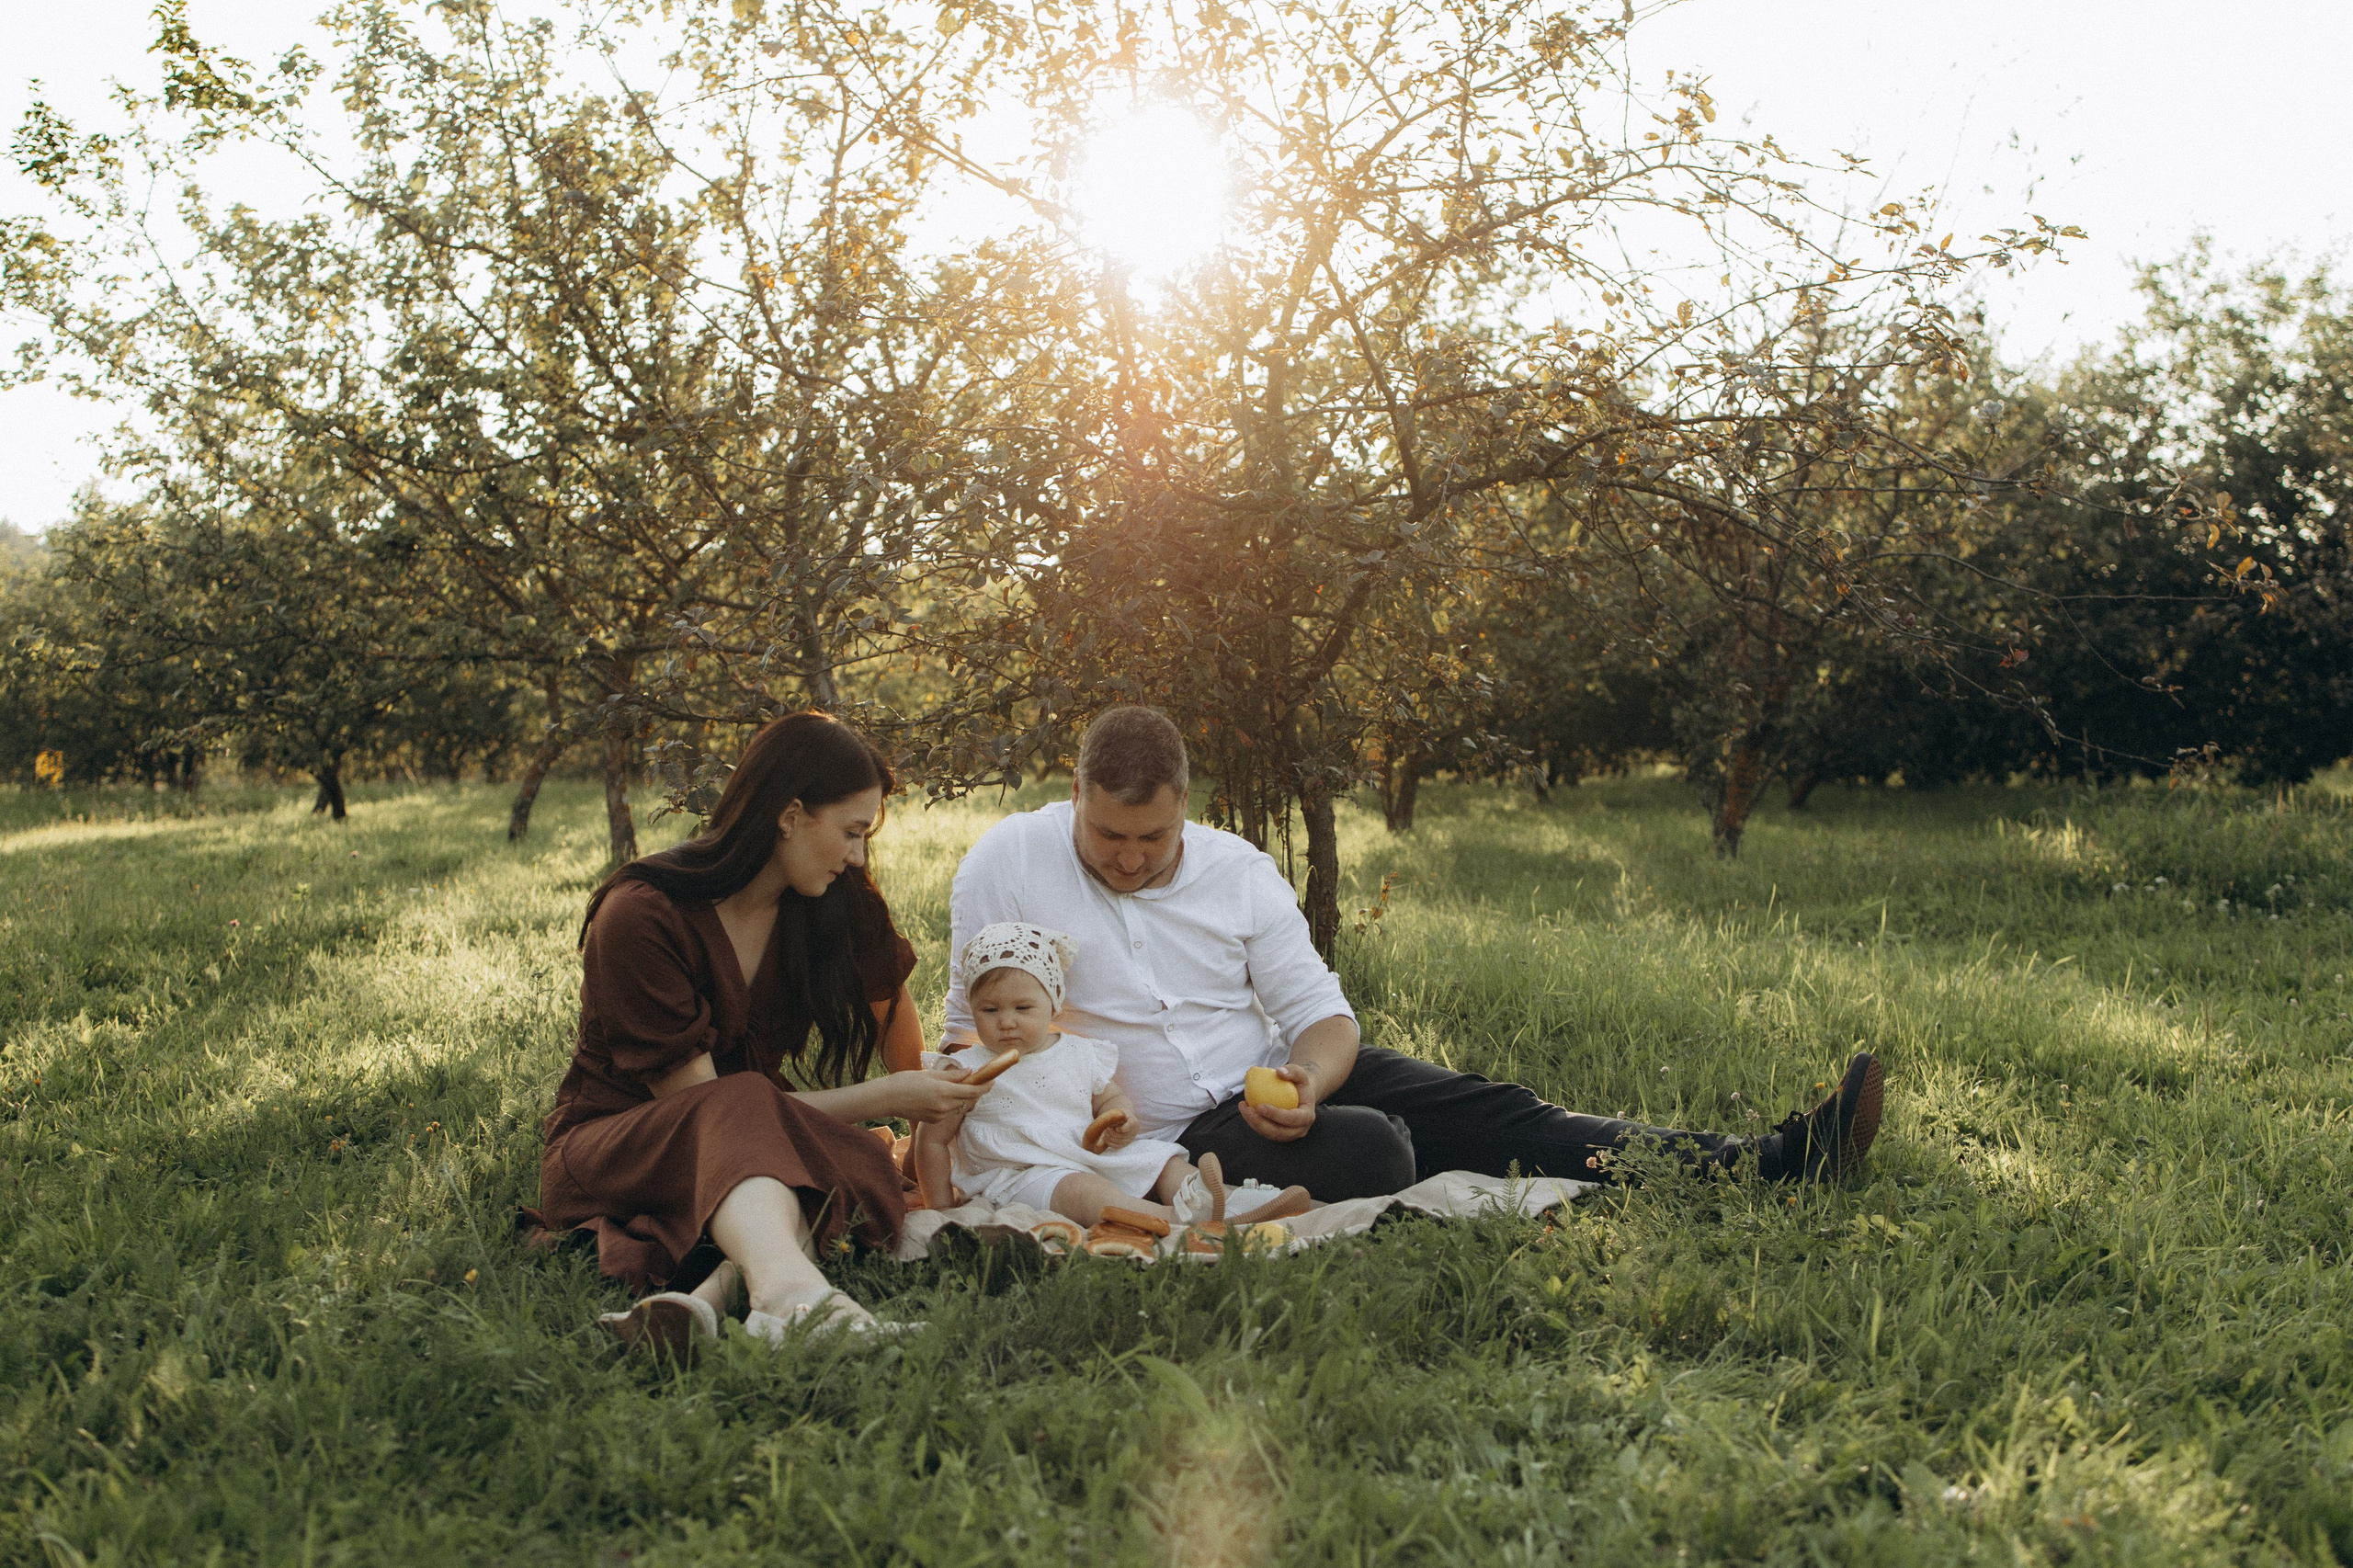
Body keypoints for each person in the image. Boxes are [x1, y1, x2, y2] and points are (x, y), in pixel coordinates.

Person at [943, 706, 1883, 1202]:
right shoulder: (1007, 861)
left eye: (1151, 836)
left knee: (1500, 1109)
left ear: (1186, 799)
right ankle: (1391, 1158)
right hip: (1170, 1135)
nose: (1129, 857)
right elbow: (968, 1032)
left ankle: (1765, 1159)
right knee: (1378, 1153)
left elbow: (1321, 1013)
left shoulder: (1237, 869)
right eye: (1108, 833)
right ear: (1074, 790)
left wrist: (1309, 1078)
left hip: (1269, 1084)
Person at [531, 711, 987, 1351]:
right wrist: (887, 1097)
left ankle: (714, 1304)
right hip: (623, 1147)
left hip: (755, 1140)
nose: (859, 854)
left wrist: (921, 1099)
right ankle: (797, 1300)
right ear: (791, 815)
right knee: (769, 1118)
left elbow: (888, 998)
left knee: (838, 1156)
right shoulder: (641, 915)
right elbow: (704, 1104)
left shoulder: (829, 896)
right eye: (852, 832)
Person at [912, 921, 1312, 1245]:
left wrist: (1121, 1118)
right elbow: (931, 1139)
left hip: (1082, 1150)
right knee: (1082, 1191)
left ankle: (1219, 1198)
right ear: (974, 1009)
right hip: (1017, 1173)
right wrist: (942, 1207)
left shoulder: (1078, 1052)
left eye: (1022, 1008)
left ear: (1053, 1002)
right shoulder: (965, 1070)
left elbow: (1110, 1098)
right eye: (990, 1009)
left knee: (1160, 1158)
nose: (1007, 1021)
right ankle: (1174, 1220)